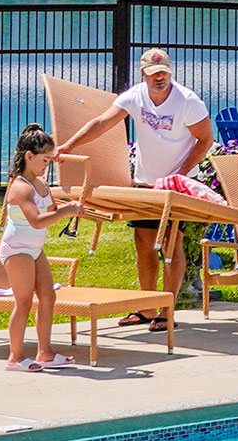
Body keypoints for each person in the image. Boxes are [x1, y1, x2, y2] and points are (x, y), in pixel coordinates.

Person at [54, 48, 213, 334]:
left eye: (163, 72)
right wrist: (69, 146)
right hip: (145, 181)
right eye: (153, 73)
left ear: (170, 71)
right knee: (143, 241)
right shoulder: (135, 96)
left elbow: (205, 140)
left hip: (178, 183)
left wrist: (178, 173)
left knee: (170, 241)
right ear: (143, 74)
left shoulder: (188, 101)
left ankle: (168, 309)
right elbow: (102, 123)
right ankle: (146, 307)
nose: (159, 77)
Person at [0, 124, 84, 373]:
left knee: (48, 296)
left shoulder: (40, 183)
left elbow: (50, 211)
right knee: (24, 301)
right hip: (17, 249)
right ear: (29, 156)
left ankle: (44, 353)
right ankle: (15, 358)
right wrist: (67, 211)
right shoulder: (21, 186)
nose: (47, 165)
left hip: (34, 248)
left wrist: (71, 208)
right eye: (45, 159)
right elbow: (36, 220)